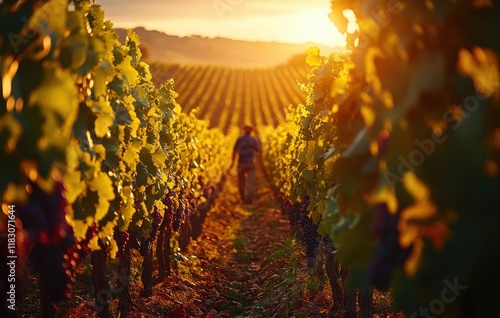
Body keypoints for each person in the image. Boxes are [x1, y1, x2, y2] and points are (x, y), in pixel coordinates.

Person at [230, 124, 261, 204]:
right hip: (250, 163)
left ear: (244, 130)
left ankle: (243, 198)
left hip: (241, 163)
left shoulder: (239, 139)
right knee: (250, 181)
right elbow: (258, 151)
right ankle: (249, 199)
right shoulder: (254, 140)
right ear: (251, 131)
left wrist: (233, 163)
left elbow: (234, 151)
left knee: (241, 181)